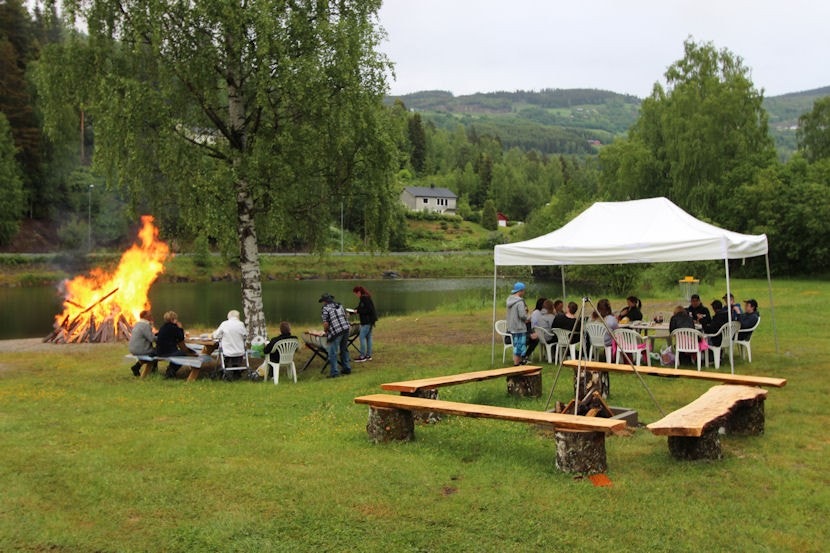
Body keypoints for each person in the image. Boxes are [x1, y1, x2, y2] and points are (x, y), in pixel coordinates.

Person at [156, 311, 197, 379]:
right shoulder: (174, 328)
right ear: (173, 320)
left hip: (159, 352)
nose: (177, 320)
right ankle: (171, 371)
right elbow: (181, 338)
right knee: (184, 353)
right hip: (167, 352)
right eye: (176, 319)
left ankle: (171, 370)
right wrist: (180, 328)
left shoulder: (162, 327)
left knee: (182, 352)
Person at [319, 292, 352, 377]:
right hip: (346, 329)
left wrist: (325, 331)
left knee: (332, 352)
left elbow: (326, 324)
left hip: (336, 331)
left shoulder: (325, 308)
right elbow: (346, 316)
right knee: (344, 349)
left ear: (325, 301)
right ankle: (347, 368)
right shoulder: (339, 305)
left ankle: (334, 373)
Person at [213, 309, 248, 376]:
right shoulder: (241, 324)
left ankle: (225, 367)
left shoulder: (224, 324)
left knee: (226, 353)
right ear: (238, 317)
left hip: (227, 351)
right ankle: (236, 370)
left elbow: (216, 335)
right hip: (239, 351)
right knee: (236, 354)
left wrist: (214, 334)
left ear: (228, 316)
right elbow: (245, 335)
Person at [506, 282, 529, 366]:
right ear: (521, 291)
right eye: (524, 290)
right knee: (520, 346)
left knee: (516, 345)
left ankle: (518, 362)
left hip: (512, 327)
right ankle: (517, 364)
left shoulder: (509, 300)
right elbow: (522, 315)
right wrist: (529, 317)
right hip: (519, 327)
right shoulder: (520, 302)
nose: (524, 292)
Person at [353, 286, 378, 362]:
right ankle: (368, 355)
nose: (356, 295)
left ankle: (362, 356)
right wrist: (354, 310)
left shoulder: (364, 298)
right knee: (369, 337)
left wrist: (358, 311)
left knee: (362, 337)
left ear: (359, 292)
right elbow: (361, 307)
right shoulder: (365, 298)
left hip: (367, 321)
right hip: (370, 321)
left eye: (356, 294)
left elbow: (368, 310)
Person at [128, 309, 156, 377]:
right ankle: (153, 371)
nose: (151, 316)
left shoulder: (137, 324)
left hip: (133, 349)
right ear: (146, 316)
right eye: (150, 315)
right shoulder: (145, 325)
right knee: (157, 352)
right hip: (141, 349)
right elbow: (151, 339)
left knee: (153, 352)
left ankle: (137, 366)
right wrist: (162, 338)